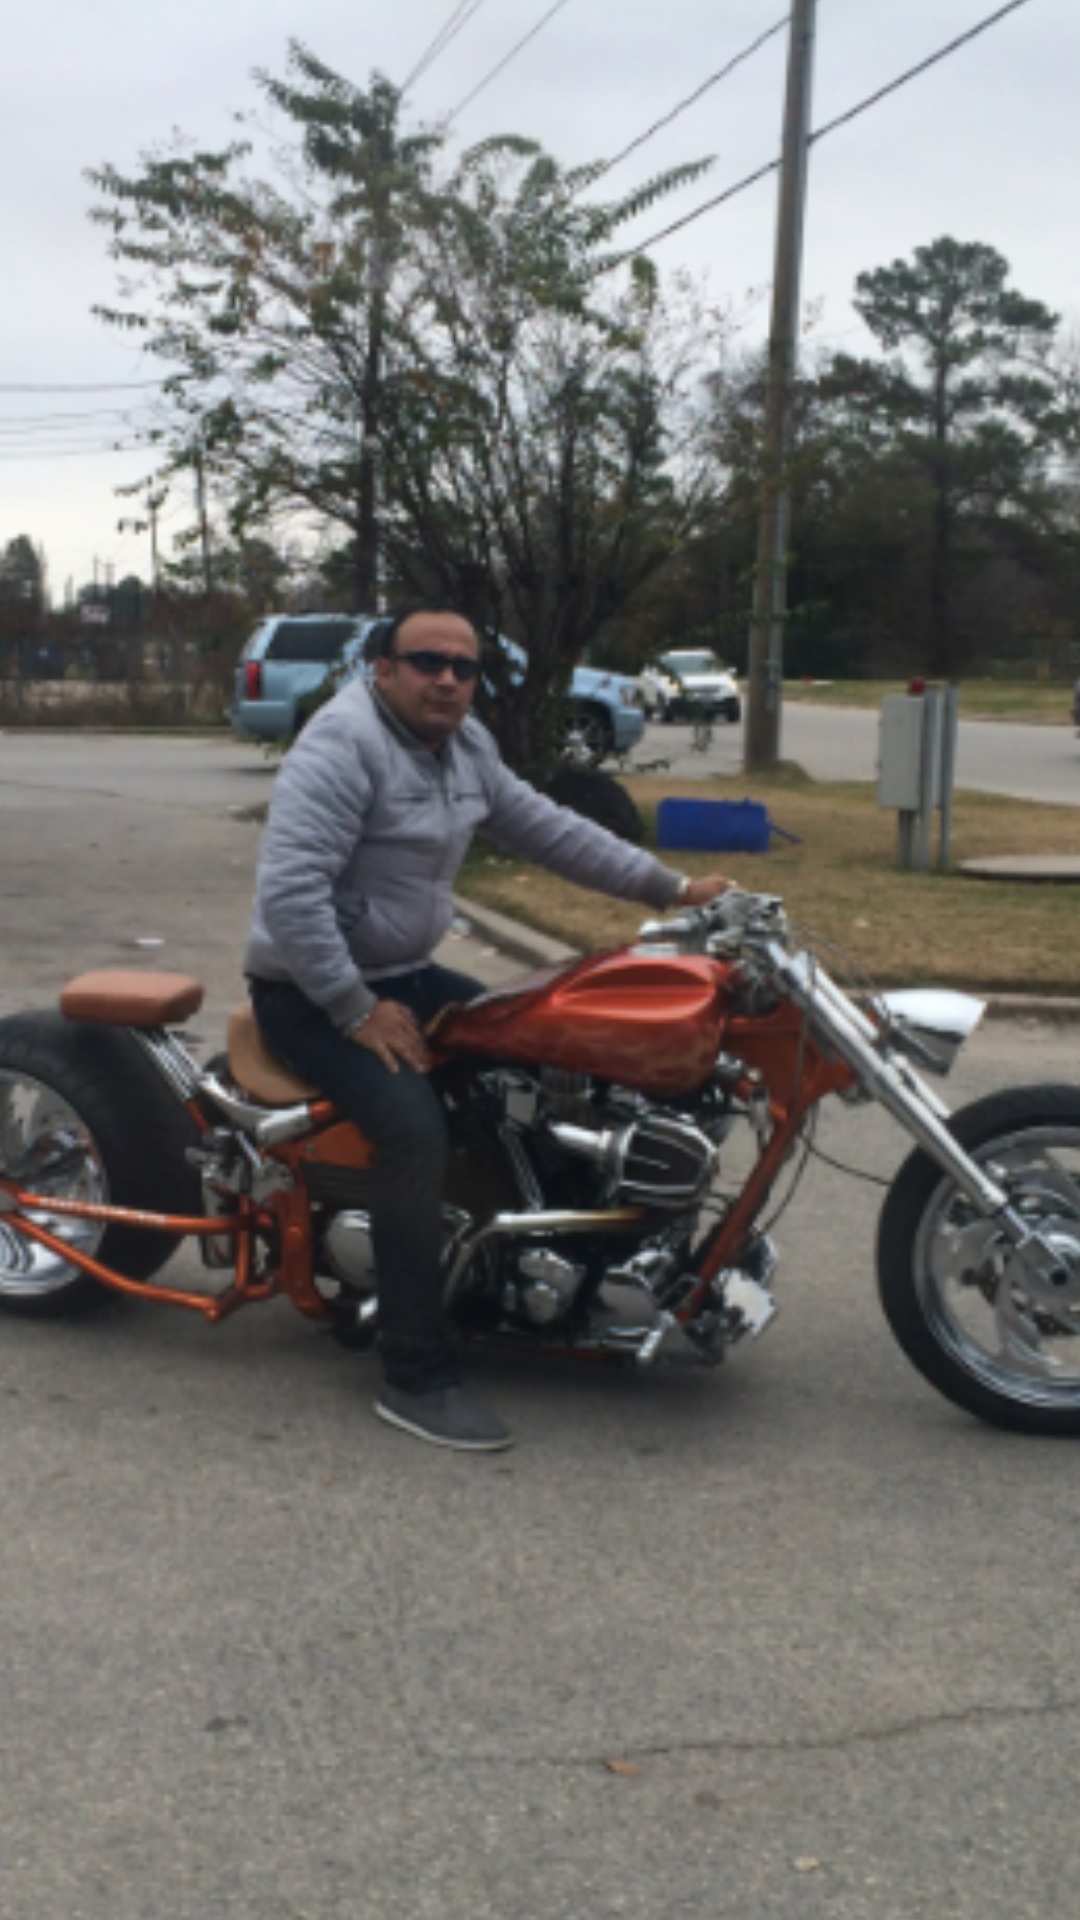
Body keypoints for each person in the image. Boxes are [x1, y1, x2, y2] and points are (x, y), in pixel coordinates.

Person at [244, 604, 731, 1452]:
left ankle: (549, 1276)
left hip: (404, 972)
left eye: (463, 667)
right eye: (427, 662)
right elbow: (290, 896)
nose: (447, 679)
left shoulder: (464, 747)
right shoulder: (342, 745)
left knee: (542, 1053)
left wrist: (672, 889)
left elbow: (550, 830)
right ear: (382, 668)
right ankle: (414, 1370)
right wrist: (354, 1010)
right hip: (310, 991)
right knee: (412, 1130)